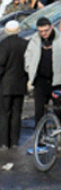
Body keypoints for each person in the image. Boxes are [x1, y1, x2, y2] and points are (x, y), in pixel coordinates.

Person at [25, 17, 61, 125]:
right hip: (40, 81)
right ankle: (39, 139)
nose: (44, 33)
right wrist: (30, 72)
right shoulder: (34, 40)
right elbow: (28, 57)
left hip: (59, 82)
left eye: (46, 30)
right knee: (39, 114)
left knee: (60, 113)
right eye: (41, 31)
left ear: (52, 27)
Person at [0, 21, 29, 149]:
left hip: (5, 84)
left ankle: (4, 142)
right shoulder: (25, 44)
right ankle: (15, 141)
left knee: (5, 114)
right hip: (20, 83)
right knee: (17, 113)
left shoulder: (4, 44)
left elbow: (1, 64)